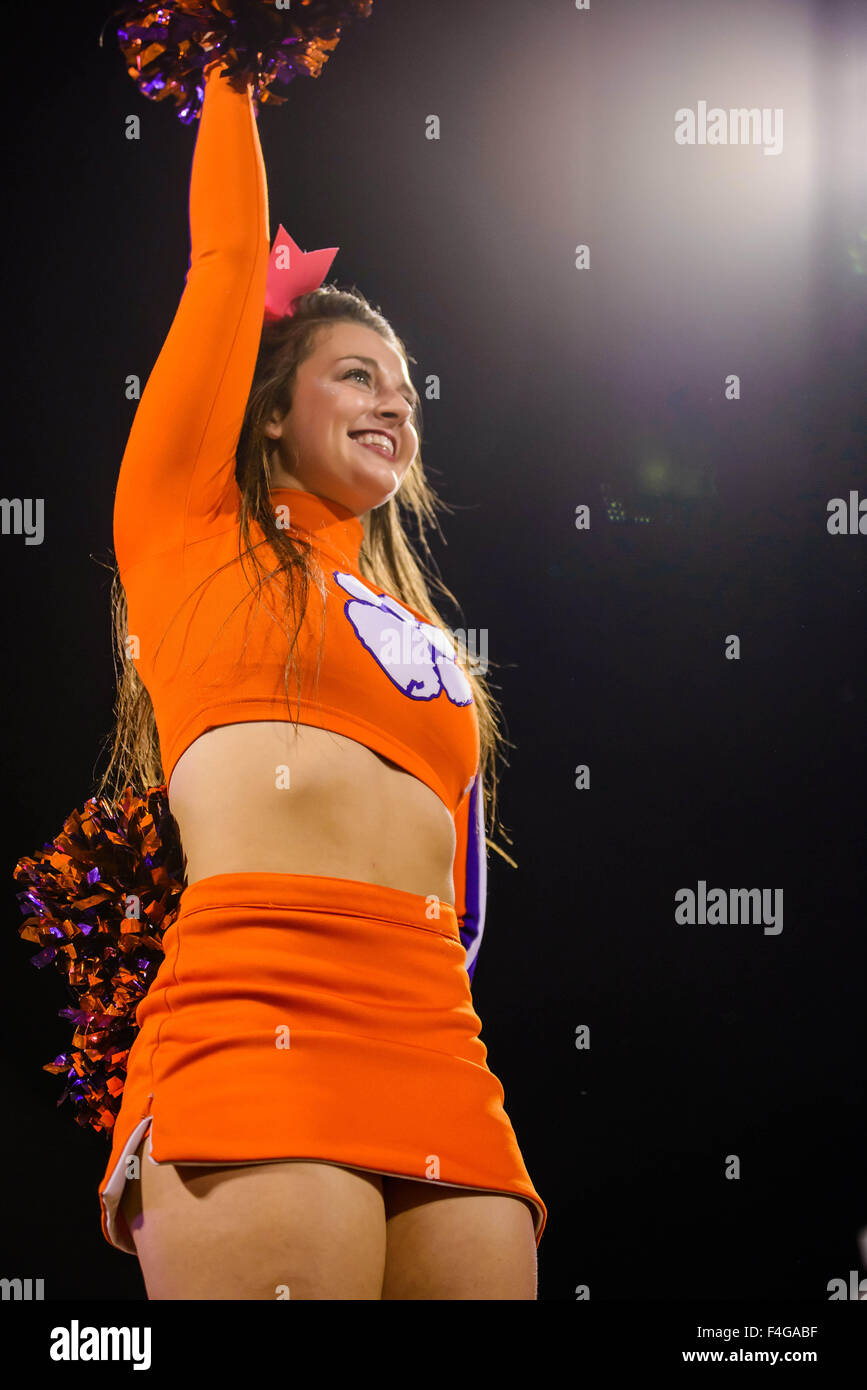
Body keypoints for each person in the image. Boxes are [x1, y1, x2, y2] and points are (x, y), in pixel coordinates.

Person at [96, 57, 546, 1300]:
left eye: (407, 394)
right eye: (357, 376)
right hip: (258, 1004)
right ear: (271, 410)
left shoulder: (428, 637)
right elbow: (230, 262)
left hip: (438, 1044)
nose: (394, 406)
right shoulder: (188, 530)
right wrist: (229, 52)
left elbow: (460, 902)